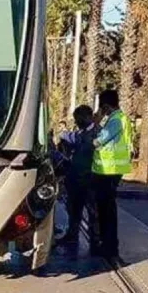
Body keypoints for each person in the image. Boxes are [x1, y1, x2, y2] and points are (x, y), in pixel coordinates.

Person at [91, 89, 133, 259]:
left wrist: (95, 123)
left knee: (106, 211)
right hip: (110, 170)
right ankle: (107, 245)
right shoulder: (118, 119)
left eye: (102, 108)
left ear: (106, 106)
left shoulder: (116, 120)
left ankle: (109, 247)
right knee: (105, 210)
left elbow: (97, 141)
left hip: (109, 170)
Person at [55, 105, 97, 254]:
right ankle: (72, 235)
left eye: (78, 119)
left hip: (91, 179)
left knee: (93, 211)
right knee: (73, 209)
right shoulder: (81, 132)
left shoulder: (96, 133)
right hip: (75, 179)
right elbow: (70, 137)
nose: (77, 122)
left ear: (87, 117)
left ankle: (96, 241)